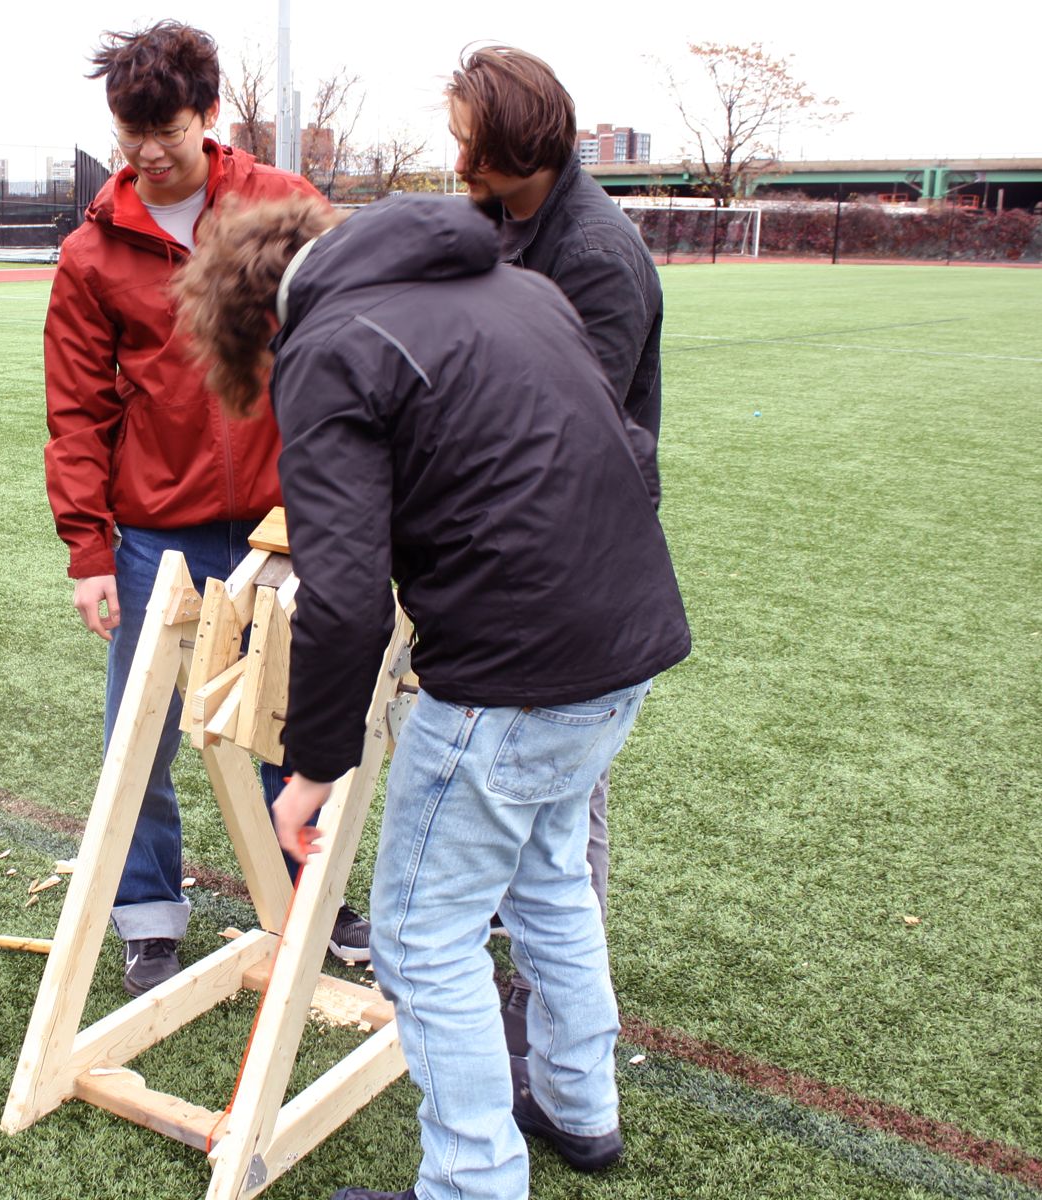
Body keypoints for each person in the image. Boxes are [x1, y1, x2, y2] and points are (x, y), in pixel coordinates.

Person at [173, 192, 690, 1200]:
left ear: (253, 320)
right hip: (623, 649)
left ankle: (471, 1183)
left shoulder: (326, 346)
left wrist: (312, 767)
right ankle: (580, 1107)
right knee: (548, 880)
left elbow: (348, 596)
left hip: (513, 680)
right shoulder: (521, 289)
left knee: (419, 936)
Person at [43, 19, 368, 997]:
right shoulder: (90, 256)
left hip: (284, 521)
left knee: (288, 714)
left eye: (167, 134)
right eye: (128, 136)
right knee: (138, 732)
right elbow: (76, 411)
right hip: (154, 532)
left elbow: (355, 339)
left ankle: (306, 890)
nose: (147, 156)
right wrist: (89, 552)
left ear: (210, 116)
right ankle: (148, 912)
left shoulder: (283, 206)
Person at [445, 45, 669, 1053]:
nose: (453, 161)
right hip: (508, 549)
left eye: (465, 142)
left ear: (511, 146)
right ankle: (530, 973)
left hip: (575, 565)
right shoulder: (495, 221)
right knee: (513, 785)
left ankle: (560, 1011)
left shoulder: (599, 257)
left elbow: (565, 426)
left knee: (564, 803)